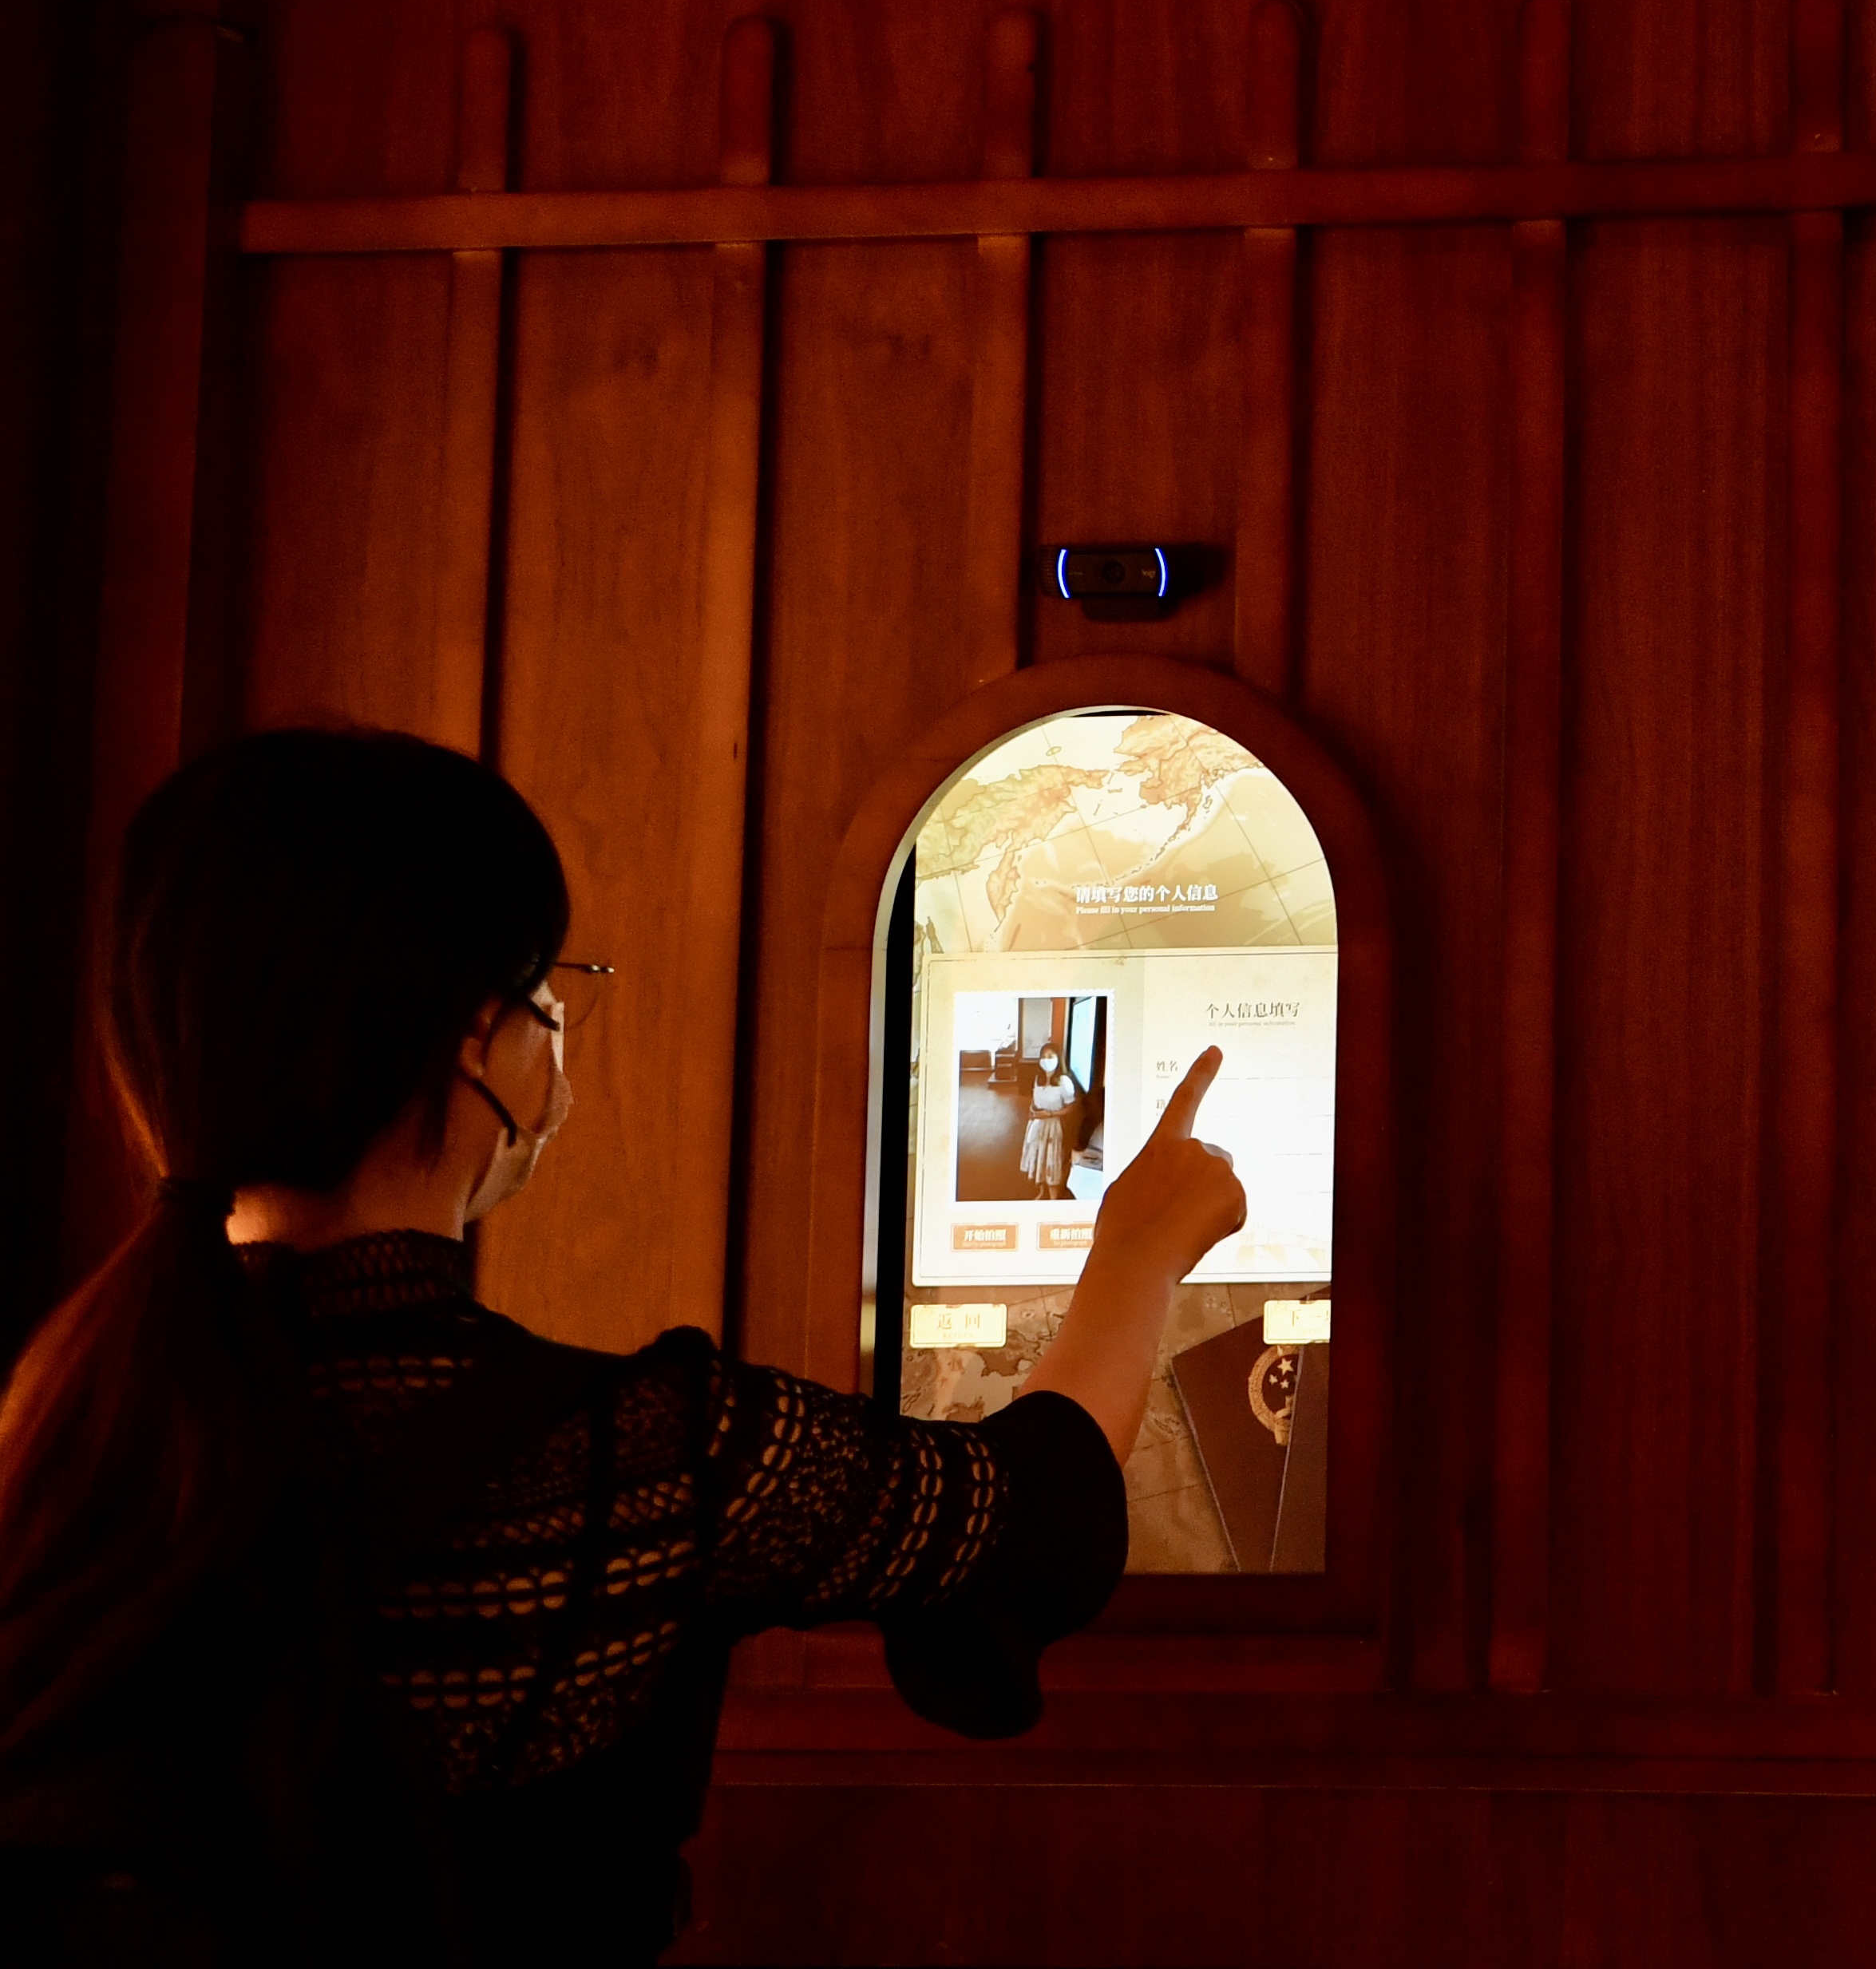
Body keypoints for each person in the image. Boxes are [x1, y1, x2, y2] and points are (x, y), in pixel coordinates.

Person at [0, 727, 1250, 1967]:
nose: (557, 1033)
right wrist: (1137, 1252)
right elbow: (1026, 1516)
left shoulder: (59, 1432)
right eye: (548, 995)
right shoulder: (643, 1459)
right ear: (479, 1041)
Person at [1022, 1042, 1082, 1196]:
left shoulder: (1064, 1082)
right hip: (1037, 1124)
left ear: (1058, 1059)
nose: (1046, 1060)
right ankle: (1042, 1192)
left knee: (1051, 1162)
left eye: (1050, 1057)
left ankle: (1053, 1199)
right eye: (1043, 1057)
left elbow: (1071, 1107)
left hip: (1053, 1128)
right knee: (1039, 1159)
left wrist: (1050, 1114)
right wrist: (1032, 1110)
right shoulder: (1038, 1079)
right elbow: (1034, 1100)